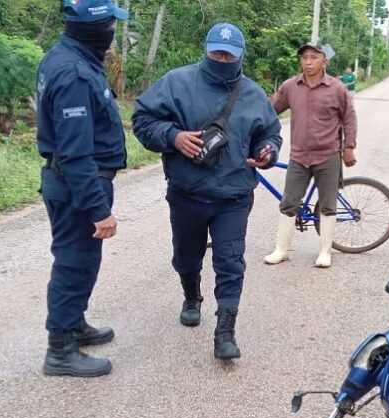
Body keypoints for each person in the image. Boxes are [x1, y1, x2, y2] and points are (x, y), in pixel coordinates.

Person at [132, 23, 282, 360]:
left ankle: (225, 331)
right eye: (217, 52)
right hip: (188, 193)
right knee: (186, 256)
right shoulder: (176, 82)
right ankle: (191, 296)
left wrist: (267, 152)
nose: (223, 58)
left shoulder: (254, 94)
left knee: (231, 262)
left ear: (240, 56)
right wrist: (173, 136)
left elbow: (270, 134)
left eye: (229, 54)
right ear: (206, 49)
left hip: (234, 195)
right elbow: (142, 119)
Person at [35, 0, 129, 377]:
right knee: (73, 265)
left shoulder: (70, 56)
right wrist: (98, 208)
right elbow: (74, 154)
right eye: (108, 24)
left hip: (74, 181)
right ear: (95, 27)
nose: (112, 31)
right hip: (78, 185)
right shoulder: (74, 72)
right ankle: (59, 350)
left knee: (83, 262)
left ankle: (74, 323)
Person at [264, 42, 357, 268]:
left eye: (314, 57)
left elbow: (349, 118)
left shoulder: (337, 88)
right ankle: (282, 250)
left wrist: (349, 147)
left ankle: (325, 251)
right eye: (304, 57)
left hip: (328, 155)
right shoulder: (290, 87)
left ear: (324, 60)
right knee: (288, 203)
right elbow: (269, 111)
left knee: (327, 204)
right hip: (299, 156)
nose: (308, 62)